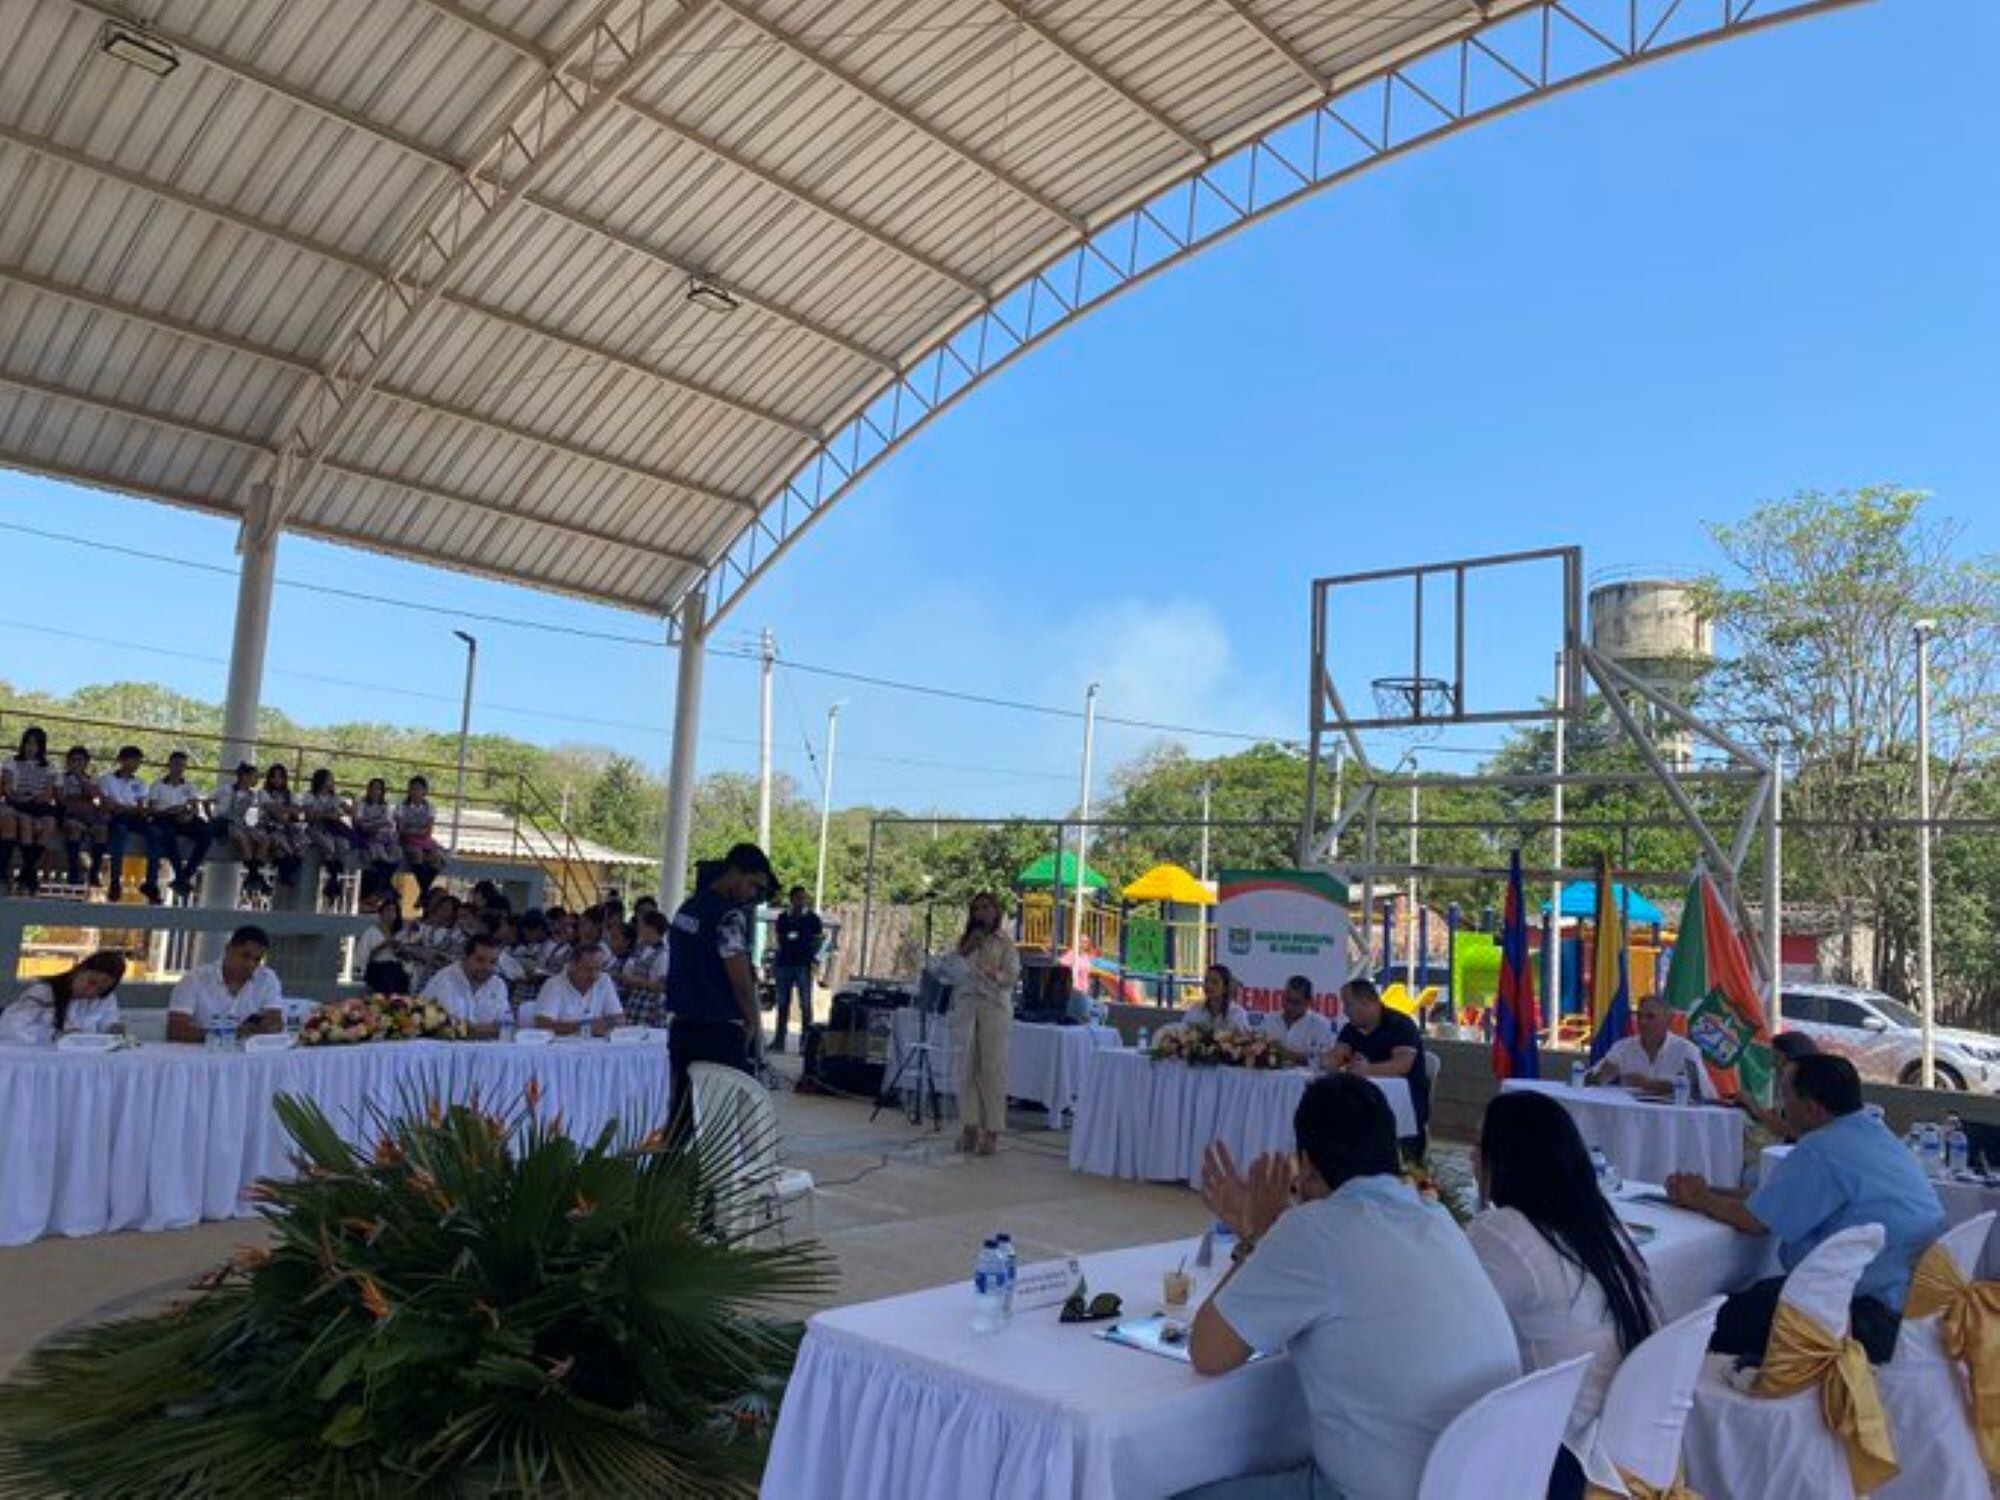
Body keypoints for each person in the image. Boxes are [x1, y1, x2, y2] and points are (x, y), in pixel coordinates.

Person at [1184, 1075, 1521, 1500]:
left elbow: (1209, 1352)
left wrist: (1260, 1235)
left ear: (1305, 1164)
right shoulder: (1434, 1217)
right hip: (1479, 1484)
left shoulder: (1314, 1230)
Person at [1666, 1053, 1945, 1365]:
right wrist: (1708, 1191)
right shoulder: (1872, 1133)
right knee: (1750, 1298)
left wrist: (1700, 1200)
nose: (1781, 1106)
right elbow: (1774, 1200)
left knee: (1706, 1319)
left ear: (1811, 1108)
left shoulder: (1822, 1148)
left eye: (1785, 1095)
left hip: (1860, 1315)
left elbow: (1755, 1221)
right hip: (1910, 1308)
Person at [1468, 1090, 1662, 1498]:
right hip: (1624, 1442)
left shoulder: (1505, 1231)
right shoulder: (1602, 1223)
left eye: (1479, 1146)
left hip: (1561, 1456)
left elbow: (1454, 1322)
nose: (1471, 1157)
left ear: (1505, 1160)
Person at [664, 843, 778, 1141]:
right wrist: (753, 1021)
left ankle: (665, 1182)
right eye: (754, 884)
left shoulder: (686, 910)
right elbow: (740, 982)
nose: (753, 895)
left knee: (680, 1118)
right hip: (718, 1030)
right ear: (736, 872)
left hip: (682, 1026)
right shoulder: (729, 917)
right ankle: (718, 1186)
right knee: (720, 1124)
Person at [950, 890, 1021, 1157]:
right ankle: (969, 1125)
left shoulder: (1004, 943)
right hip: (968, 1006)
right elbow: (953, 969)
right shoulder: (966, 941)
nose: (982, 913)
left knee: (991, 1069)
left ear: (996, 912)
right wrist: (968, 948)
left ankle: (992, 1131)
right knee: (966, 1067)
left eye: (987, 907)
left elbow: (1012, 975)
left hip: (994, 1007)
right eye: (977, 908)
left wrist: (995, 973)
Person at [1330, 977, 1430, 1155]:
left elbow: (1402, 1065)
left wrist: (1367, 1070)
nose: (1344, 1011)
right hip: (1361, 1104)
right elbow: (1337, 1057)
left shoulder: (1400, 1024)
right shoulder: (1351, 1029)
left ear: (1367, 1002)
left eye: (1348, 1004)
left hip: (1403, 1107)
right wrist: (1330, 1060)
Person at [1584, 995, 1717, 1100]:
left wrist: (1648, 1084)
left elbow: (1702, 1092)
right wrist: (1601, 1076)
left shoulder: (1686, 1050)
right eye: (1639, 1016)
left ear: (1668, 1021)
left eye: (1650, 1017)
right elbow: (1587, 1079)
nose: (1642, 1022)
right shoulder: (1622, 1047)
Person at [167, 925, 284, 1042]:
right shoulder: (194, 980)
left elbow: (276, 1023)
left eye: (257, 959)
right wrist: (231, 1034)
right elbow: (176, 1030)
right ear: (228, 949)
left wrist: (264, 1027)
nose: (250, 964)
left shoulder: (267, 979)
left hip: (247, 1054)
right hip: (201, 1054)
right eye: (245, 956)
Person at [0, 952, 127, 1045]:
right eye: (91, 982)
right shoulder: (44, 992)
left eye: (100, 989)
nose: (91, 992)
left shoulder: (104, 999)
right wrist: (54, 1036)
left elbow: (109, 1023)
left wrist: (114, 1030)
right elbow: (10, 1027)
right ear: (79, 970)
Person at [0, 725, 60, 895]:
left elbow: (48, 794)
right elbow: (8, 789)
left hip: (39, 806)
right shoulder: (12, 762)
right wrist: (20, 797)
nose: (31, 747)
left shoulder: (49, 767)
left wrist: (35, 798)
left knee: (48, 824)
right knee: (26, 823)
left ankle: (27, 871)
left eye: (36, 744)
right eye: (28, 743)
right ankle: (29, 875)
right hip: (18, 804)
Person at [146, 750, 213, 899]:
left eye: (183, 765)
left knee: (206, 835)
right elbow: (152, 810)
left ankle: (186, 874)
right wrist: (169, 811)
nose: (179, 768)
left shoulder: (189, 786)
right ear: (169, 765)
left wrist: (188, 815)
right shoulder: (158, 785)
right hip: (164, 817)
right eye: (176, 764)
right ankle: (180, 876)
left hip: (184, 818)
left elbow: (195, 808)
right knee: (169, 836)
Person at [420, 933, 512, 1037]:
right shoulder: (445, 980)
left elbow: (506, 1026)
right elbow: (448, 1028)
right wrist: (488, 1029)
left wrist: (470, 1029)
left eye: (493, 962)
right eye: (480, 960)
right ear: (464, 957)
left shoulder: (498, 985)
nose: (487, 967)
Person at [1738, 1031, 1820, 1143]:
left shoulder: (1809, 1089)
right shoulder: (1791, 1085)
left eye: (1777, 1058)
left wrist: (1757, 1111)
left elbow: (1793, 1131)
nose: (1773, 1064)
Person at [770, 885, 824, 1053]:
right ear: (791, 899)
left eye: (804, 898)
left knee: (805, 1004)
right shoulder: (783, 918)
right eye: (798, 898)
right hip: (785, 964)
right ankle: (779, 1040)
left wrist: (812, 957)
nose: (801, 901)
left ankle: (806, 1043)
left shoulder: (813, 919)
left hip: (803, 965)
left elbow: (818, 941)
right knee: (782, 1003)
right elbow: (779, 937)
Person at [527, 944, 624, 1036]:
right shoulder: (553, 984)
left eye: (598, 969)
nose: (594, 975)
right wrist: (586, 1027)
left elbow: (619, 1019)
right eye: (588, 970)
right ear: (572, 966)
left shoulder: (604, 980)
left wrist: (599, 1025)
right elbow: (543, 1024)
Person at [97, 744, 152, 902]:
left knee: (154, 833)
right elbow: (107, 804)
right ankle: (115, 881)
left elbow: (141, 808)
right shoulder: (107, 780)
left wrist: (124, 808)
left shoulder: (140, 783)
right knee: (119, 835)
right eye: (133, 760)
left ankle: (150, 881)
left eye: (138, 761)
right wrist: (124, 808)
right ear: (122, 761)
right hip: (116, 818)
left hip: (133, 818)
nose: (136, 765)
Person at [215, 761, 272, 897]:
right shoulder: (226, 789)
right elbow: (209, 801)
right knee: (242, 837)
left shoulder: (253, 795)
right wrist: (212, 817)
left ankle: (253, 873)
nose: (257, 780)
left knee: (263, 838)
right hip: (225, 823)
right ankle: (255, 876)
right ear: (244, 777)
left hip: (241, 823)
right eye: (254, 776)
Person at [57, 745, 109, 890]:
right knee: (74, 829)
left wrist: (80, 779)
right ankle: (74, 873)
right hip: (69, 814)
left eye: (80, 760)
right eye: (73, 760)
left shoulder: (93, 779)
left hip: (90, 815)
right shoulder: (61, 778)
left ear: (86, 763)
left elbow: (95, 795)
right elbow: (62, 799)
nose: (77, 763)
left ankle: (94, 873)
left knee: (101, 831)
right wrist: (79, 799)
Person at [300, 769, 353, 904]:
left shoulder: (335, 798)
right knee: (328, 846)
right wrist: (327, 815)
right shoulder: (310, 796)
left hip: (332, 830)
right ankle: (333, 879)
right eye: (330, 779)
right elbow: (309, 816)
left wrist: (342, 811)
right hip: (315, 829)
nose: (332, 782)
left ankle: (334, 879)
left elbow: (351, 811)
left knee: (343, 844)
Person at [618, 908, 671, 1027]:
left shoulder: (663, 954)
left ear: (651, 928)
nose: (639, 929)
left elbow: (661, 986)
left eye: (641, 926)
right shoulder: (641, 949)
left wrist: (635, 981)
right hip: (635, 1004)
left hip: (650, 1008)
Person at [257, 764, 305, 891]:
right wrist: (287, 810)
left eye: (280, 777)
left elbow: (298, 811)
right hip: (269, 826)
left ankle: (286, 876)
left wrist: (283, 809)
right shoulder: (263, 793)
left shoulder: (290, 794)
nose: (277, 780)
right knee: (284, 849)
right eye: (274, 777)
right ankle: (282, 877)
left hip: (288, 828)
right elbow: (271, 809)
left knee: (300, 847)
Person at [395, 775, 445, 894]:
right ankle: (424, 892)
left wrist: (412, 829)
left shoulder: (430, 807)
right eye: (412, 789)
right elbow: (401, 830)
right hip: (406, 840)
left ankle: (423, 892)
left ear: (425, 791)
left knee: (437, 857)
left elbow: (428, 831)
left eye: (418, 789)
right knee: (417, 854)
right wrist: (417, 831)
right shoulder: (401, 807)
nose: (415, 792)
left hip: (425, 840)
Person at [351, 777, 400, 899]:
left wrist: (380, 826)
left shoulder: (385, 806)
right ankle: (384, 886)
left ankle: (384, 884)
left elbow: (389, 823)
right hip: (365, 836)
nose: (375, 791)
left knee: (396, 852)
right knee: (378, 853)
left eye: (379, 789)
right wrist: (376, 824)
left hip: (383, 836)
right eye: (373, 788)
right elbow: (359, 823)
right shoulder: (361, 804)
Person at [1270, 974, 1336, 1061]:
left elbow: (1326, 1060)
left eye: (1296, 1003)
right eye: (1287, 1000)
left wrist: (1288, 1055)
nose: (1290, 1007)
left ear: (1309, 1002)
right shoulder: (1269, 1020)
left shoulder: (1320, 1025)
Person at [355, 895, 408, 994]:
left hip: (396, 967)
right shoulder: (371, 931)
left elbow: (404, 957)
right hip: (378, 968)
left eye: (394, 911)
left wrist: (399, 948)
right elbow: (365, 956)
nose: (391, 914)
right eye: (388, 910)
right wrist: (384, 944)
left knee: (402, 982)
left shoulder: (399, 933)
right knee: (386, 984)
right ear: (381, 913)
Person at [1185, 963, 1251, 1033]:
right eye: (1206, 980)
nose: (1208, 986)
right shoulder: (1196, 1009)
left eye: (1215, 982)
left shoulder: (1237, 1013)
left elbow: (1245, 1039)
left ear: (1225, 987)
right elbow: (1183, 1031)